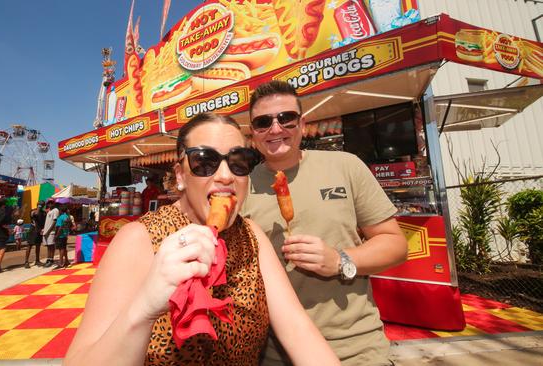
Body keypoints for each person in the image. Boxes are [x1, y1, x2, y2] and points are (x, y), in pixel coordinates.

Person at [64, 113, 339, 365]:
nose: (225, 175)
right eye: (204, 162)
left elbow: (297, 329)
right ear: (181, 176)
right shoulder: (138, 240)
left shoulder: (252, 236)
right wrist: (144, 308)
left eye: (238, 161)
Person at [241, 80, 408, 366]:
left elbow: (395, 244)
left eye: (286, 118)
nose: (276, 128)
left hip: (356, 348)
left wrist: (340, 260)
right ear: (253, 134)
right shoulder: (241, 186)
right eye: (263, 122)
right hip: (273, 353)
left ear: (302, 124)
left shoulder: (345, 166)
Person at [25, 200, 46, 268]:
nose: (41, 206)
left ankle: (37, 260)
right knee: (29, 245)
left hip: (39, 231)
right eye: (40, 205)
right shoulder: (33, 211)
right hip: (33, 230)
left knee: (38, 245)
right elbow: (35, 214)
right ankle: (26, 261)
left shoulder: (44, 212)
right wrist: (38, 208)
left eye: (42, 205)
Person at [42, 200, 60, 267]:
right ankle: (49, 258)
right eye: (48, 203)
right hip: (46, 231)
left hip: (51, 232)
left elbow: (55, 221)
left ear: (53, 204)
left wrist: (48, 231)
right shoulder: (49, 211)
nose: (49, 204)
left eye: (51, 203)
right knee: (48, 246)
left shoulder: (55, 210)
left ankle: (51, 259)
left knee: (51, 246)